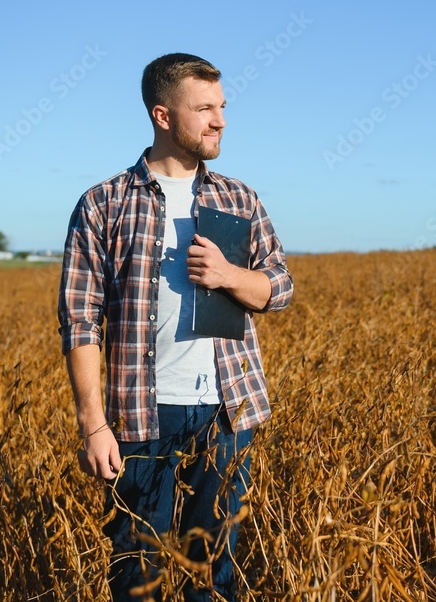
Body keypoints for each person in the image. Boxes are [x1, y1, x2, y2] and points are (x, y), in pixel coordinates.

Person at [57, 53, 294, 601]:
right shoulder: (104, 204)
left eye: (223, 107)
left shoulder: (239, 198)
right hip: (142, 415)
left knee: (213, 571)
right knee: (137, 572)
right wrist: (94, 425)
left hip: (228, 412)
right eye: (205, 108)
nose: (221, 121)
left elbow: (279, 288)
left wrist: (230, 274)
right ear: (162, 116)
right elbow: (80, 321)